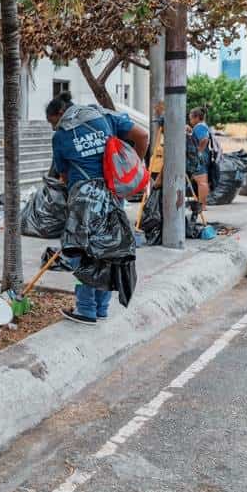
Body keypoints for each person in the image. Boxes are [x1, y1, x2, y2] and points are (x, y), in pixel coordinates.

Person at [46, 98, 148, 327]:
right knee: (108, 249)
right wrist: (133, 165)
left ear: (61, 113)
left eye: (54, 122)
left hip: (84, 202)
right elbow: (142, 136)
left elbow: (63, 176)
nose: (55, 126)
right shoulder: (104, 117)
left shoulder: (61, 136)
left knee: (82, 253)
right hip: (113, 195)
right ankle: (102, 308)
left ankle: (86, 310)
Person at [186, 107, 211, 210]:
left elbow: (204, 139)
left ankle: (202, 205)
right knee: (201, 181)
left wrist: (199, 151)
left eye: (191, 118)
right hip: (203, 156)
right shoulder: (201, 126)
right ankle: (202, 204)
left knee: (201, 181)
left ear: (196, 118)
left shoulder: (199, 127)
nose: (190, 121)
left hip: (200, 157)